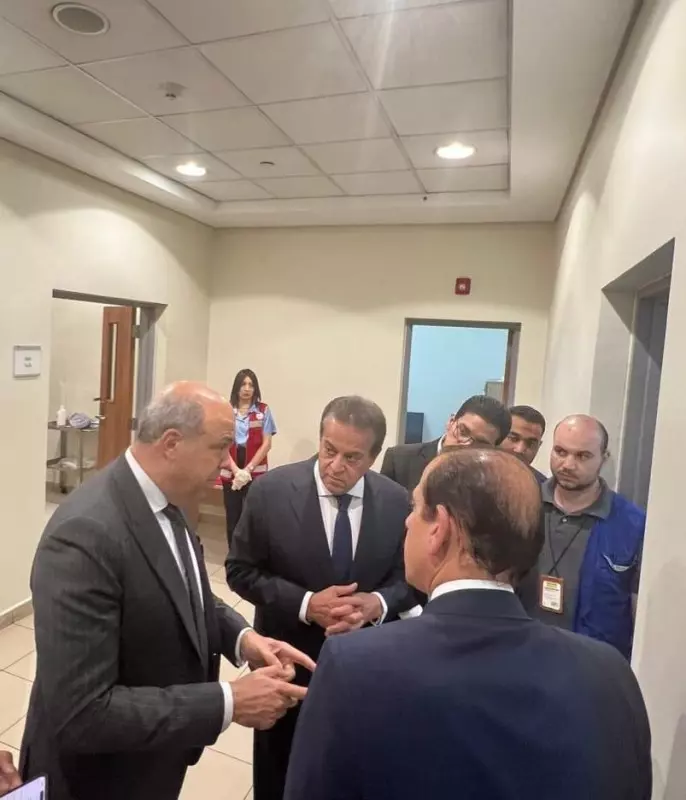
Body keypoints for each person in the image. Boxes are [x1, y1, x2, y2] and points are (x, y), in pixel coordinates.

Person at [284, 448, 652, 800]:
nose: (407, 521)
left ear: (440, 529)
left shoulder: (353, 666)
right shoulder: (610, 672)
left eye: (415, 508)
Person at [21, 382, 314, 800]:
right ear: (172, 443)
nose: (227, 462)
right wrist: (230, 701)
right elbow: (83, 713)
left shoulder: (168, 499)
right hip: (97, 779)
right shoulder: (84, 534)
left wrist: (242, 639)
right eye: (220, 447)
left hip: (153, 759)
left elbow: (185, 590)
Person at [227, 395, 417, 800]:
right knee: (280, 774)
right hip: (288, 661)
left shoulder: (397, 501)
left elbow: (410, 578)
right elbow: (240, 571)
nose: (335, 466)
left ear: (373, 457)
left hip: (365, 666)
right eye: (329, 450)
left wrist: (378, 604)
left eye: (352, 457)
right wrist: (306, 604)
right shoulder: (271, 492)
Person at [520, 415, 645, 659]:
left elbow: (639, 611)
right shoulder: (522, 505)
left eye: (583, 456)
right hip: (522, 654)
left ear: (604, 458)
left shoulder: (632, 524)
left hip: (593, 664)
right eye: (560, 452)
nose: (568, 464)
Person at [381, 394, 512, 492]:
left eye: (479, 443)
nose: (465, 445)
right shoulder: (399, 459)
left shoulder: (491, 484)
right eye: (463, 432)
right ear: (451, 421)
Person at [220, 369, 276, 547]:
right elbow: (222, 443)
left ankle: (252, 554)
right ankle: (234, 553)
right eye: (243, 384)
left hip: (255, 471)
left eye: (251, 385)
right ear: (236, 387)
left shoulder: (263, 410)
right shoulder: (226, 410)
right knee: (233, 517)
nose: (247, 388)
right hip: (231, 469)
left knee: (254, 516)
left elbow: (267, 444)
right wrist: (236, 471)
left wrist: (248, 470)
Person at [501, 404, 547, 482]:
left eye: (530, 444)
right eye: (513, 439)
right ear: (499, 436)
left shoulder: (542, 487)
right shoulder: (479, 474)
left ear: (539, 446)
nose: (520, 449)